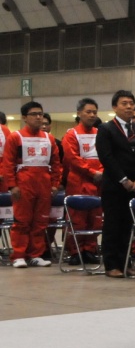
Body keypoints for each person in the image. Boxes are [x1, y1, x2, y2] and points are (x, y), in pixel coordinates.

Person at [96, 90, 135, 278]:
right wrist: (123, 180)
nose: (129, 107)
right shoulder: (106, 129)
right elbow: (107, 157)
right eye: (124, 103)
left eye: (131, 103)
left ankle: (126, 261)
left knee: (129, 226)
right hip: (114, 185)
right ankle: (111, 264)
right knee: (113, 225)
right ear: (114, 107)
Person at [2, 102, 62, 268]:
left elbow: (56, 163)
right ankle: (19, 255)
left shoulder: (49, 138)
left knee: (40, 221)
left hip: (44, 183)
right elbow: (8, 163)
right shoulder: (16, 137)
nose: (38, 117)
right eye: (34, 114)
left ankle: (35, 254)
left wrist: (55, 184)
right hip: (23, 183)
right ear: (24, 118)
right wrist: (12, 185)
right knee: (22, 221)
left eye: (40, 114)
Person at [61, 98, 104, 265]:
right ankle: (75, 251)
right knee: (77, 218)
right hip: (78, 181)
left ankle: (90, 249)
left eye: (94, 112)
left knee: (95, 218)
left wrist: (102, 172)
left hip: (98, 182)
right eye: (88, 112)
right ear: (79, 113)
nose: (92, 115)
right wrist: (92, 172)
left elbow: (107, 155)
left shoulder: (100, 133)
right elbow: (72, 158)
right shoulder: (71, 134)